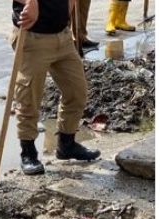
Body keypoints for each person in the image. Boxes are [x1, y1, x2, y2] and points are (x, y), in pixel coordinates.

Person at [12, 0, 100, 175]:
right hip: (33, 37)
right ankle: (28, 153)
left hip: (63, 37)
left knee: (77, 91)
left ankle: (66, 145)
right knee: (28, 98)